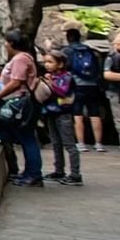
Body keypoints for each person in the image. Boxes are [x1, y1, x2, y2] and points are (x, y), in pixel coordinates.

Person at [0, 29, 42, 187]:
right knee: (26, 138)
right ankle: (29, 173)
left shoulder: (21, 59)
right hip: (21, 102)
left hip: (22, 103)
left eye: (6, 42)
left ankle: (34, 175)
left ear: (12, 43)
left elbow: (16, 81)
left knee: (27, 138)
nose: (5, 44)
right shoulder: (21, 57)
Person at [40, 50, 82, 186]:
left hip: (63, 113)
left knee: (69, 144)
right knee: (56, 144)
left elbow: (62, 92)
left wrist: (50, 83)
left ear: (60, 64)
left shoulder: (67, 77)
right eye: (45, 62)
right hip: (51, 112)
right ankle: (59, 170)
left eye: (50, 62)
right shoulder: (51, 76)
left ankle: (75, 174)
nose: (46, 65)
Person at [62, 28, 106, 152]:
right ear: (79, 37)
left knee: (77, 113)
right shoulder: (89, 51)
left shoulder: (67, 51)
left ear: (68, 37)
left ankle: (81, 144)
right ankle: (99, 144)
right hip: (92, 85)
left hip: (76, 84)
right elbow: (97, 69)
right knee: (94, 113)